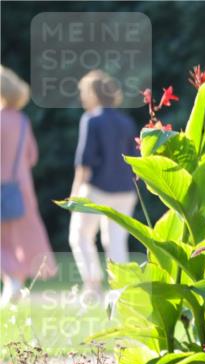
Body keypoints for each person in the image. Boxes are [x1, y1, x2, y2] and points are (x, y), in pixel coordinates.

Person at [68, 69, 138, 300]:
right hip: (126, 191)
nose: (82, 98)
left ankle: (93, 285)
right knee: (116, 240)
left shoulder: (91, 120)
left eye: (84, 92)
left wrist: (74, 194)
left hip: (97, 189)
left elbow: (84, 162)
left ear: (93, 94)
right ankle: (121, 292)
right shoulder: (126, 122)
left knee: (79, 235)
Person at [0, 65, 56, 305]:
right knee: (21, 237)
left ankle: (12, 278)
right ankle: (15, 284)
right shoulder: (22, 121)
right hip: (22, 187)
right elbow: (32, 156)